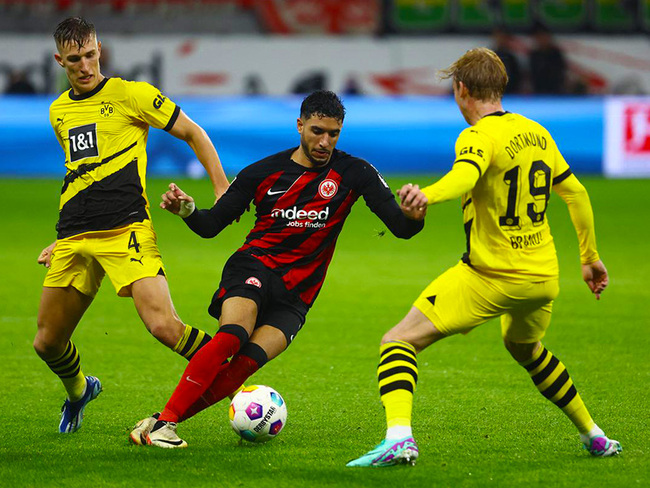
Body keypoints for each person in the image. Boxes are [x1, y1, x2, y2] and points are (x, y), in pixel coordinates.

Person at [347, 47, 621, 467]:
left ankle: (399, 437)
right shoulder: (538, 133)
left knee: (398, 340)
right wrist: (590, 257)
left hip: (492, 275)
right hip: (543, 278)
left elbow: (466, 175)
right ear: (500, 86)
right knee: (525, 348)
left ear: (461, 90)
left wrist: (426, 194)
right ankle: (594, 434)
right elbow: (577, 194)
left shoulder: (476, 136)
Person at [129, 90, 426, 448]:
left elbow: (401, 227)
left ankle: (161, 423)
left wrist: (414, 215)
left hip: (299, 293)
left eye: (333, 133)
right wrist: (188, 210)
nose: (324, 141)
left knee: (243, 366)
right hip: (253, 266)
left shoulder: (355, 172)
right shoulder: (263, 172)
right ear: (299, 125)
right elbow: (212, 226)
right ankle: (167, 422)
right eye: (317, 131)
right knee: (232, 337)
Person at [34, 17, 230, 435]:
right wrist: (61, 237)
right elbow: (80, 175)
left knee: (163, 326)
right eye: (74, 60)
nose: (84, 66)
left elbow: (193, 132)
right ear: (59, 60)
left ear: (99, 49)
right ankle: (79, 391)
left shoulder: (131, 95)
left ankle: (243, 388)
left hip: (127, 231)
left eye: (90, 55)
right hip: (75, 236)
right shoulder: (59, 111)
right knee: (47, 342)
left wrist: (221, 186)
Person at [529, 23, 567, 95]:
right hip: (538, 91)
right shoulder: (534, 55)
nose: (542, 39)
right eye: (539, 37)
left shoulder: (556, 54)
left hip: (555, 90)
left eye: (543, 36)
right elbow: (533, 73)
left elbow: (560, 72)